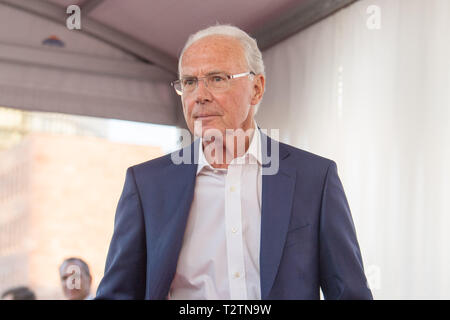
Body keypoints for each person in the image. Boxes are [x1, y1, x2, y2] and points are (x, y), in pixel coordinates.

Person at [96, 25, 372, 300]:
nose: (199, 95)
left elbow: (349, 293)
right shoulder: (147, 184)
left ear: (256, 88)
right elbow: (117, 294)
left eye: (217, 78)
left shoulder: (315, 178)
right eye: (190, 82)